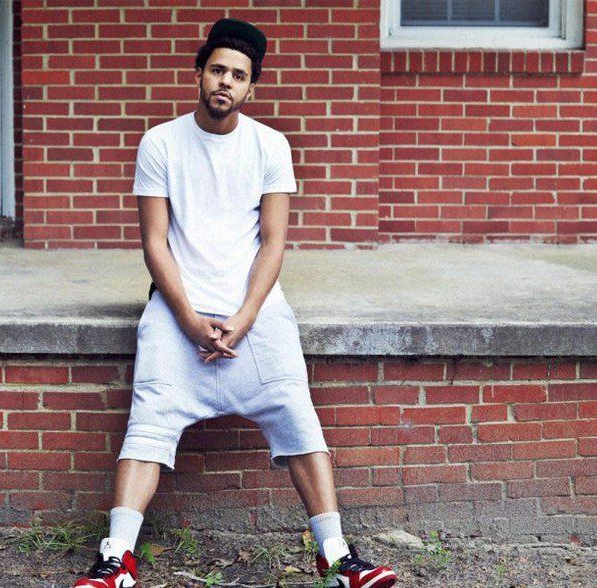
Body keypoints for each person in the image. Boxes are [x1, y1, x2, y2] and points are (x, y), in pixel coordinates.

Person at [70, 17, 397, 588]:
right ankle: (115, 560)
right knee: (148, 424)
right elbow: (154, 243)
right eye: (217, 69)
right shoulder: (160, 142)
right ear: (199, 73)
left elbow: (273, 243)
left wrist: (244, 319)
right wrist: (187, 318)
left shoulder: (270, 145)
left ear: (251, 87)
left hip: (255, 310)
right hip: (178, 309)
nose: (225, 81)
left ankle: (337, 557)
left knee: (298, 415)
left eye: (238, 75)